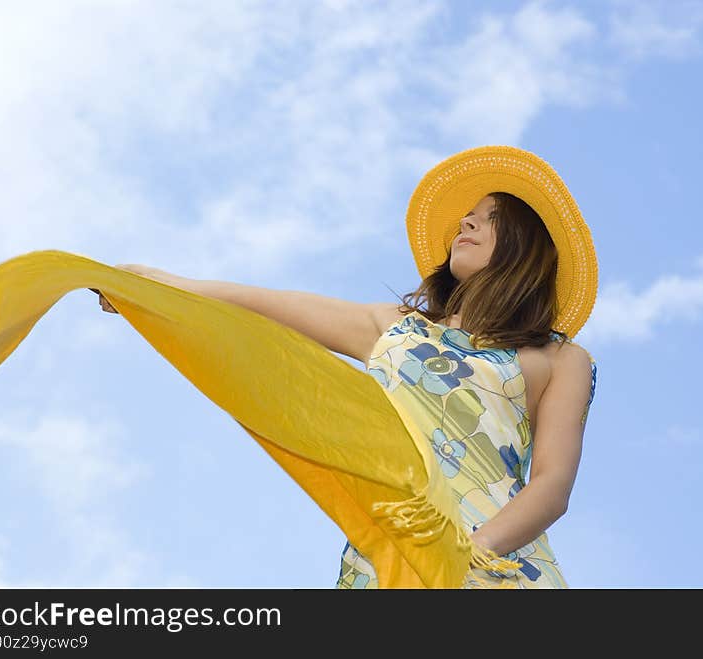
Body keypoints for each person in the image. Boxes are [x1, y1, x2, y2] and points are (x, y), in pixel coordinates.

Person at [94, 145, 599, 588]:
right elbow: (261, 302)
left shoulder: (560, 359)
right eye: (467, 215)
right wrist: (147, 285)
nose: (466, 223)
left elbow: (552, 485)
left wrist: (463, 556)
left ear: (526, 249)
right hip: (384, 564)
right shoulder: (397, 329)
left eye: (490, 218)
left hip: (495, 568)